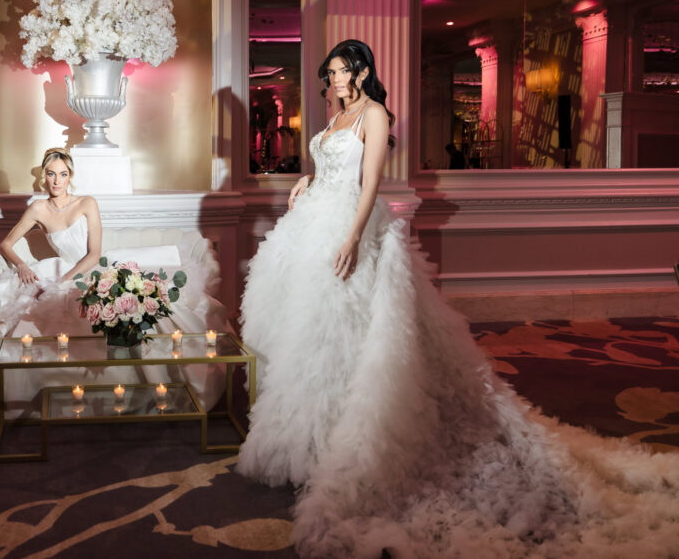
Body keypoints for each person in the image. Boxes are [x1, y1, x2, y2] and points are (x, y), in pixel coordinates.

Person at [236, 40, 679, 558]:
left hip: (348, 228)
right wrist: (308, 178)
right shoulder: (336, 117)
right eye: (329, 73)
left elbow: (370, 182)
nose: (332, 81)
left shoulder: (374, 115)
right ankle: (310, 444)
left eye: (340, 72)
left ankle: (348, 446)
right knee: (309, 335)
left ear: (361, 72)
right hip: (311, 224)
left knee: (347, 333)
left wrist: (354, 238)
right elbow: (333, 169)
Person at [0, 148, 226, 425]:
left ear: (71, 176)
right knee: (13, 309)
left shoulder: (87, 203)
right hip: (56, 271)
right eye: (51, 175)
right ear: (44, 177)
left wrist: (67, 280)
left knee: (149, 307)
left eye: (63, 174)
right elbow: (6, 246)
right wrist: (24, 267)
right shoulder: (38, 208)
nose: (57, 181)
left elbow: (95, 254)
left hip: (91, 267)